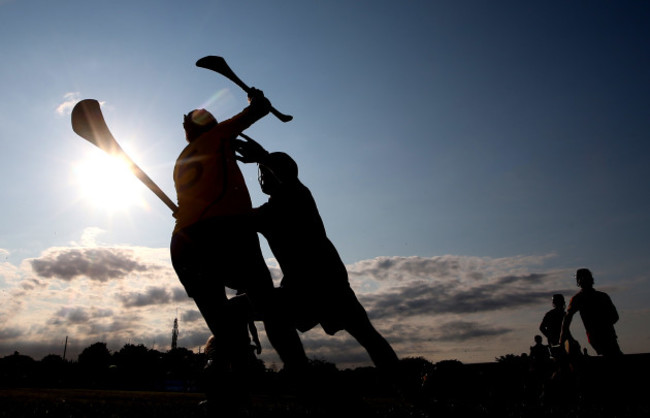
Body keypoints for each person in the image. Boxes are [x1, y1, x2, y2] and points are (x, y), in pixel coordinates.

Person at [170, 89, 308, 404]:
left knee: (223, 324)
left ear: (187, 132)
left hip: (184, 242)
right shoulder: (218, 136)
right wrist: (254, 98)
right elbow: (259, 109)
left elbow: (190, 203)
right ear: (211, 124)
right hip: (228, 231)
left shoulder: (180, 160)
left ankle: (224, 396)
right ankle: (302, 377)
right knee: (270, 308)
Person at [234, 135, 400, 375]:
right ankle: (297, 374)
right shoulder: (266, 213)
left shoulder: (299, 196)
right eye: (262, 171)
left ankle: (300, 375)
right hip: (305, 288)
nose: (263, 176)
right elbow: (232, 222)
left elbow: (286, 178)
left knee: (367, 336)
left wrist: (263, 157)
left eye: (266, 171)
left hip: (327, 285)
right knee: (367, 336)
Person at [560, 268, 622, 357]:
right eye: (582, 278)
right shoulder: (580, 299)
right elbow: (567, 318)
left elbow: (615, 316)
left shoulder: (599, 297)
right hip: (599, 336)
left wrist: (562, 339)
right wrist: (562, 339)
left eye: (586, 278)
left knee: (613, 355)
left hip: (605, 335)